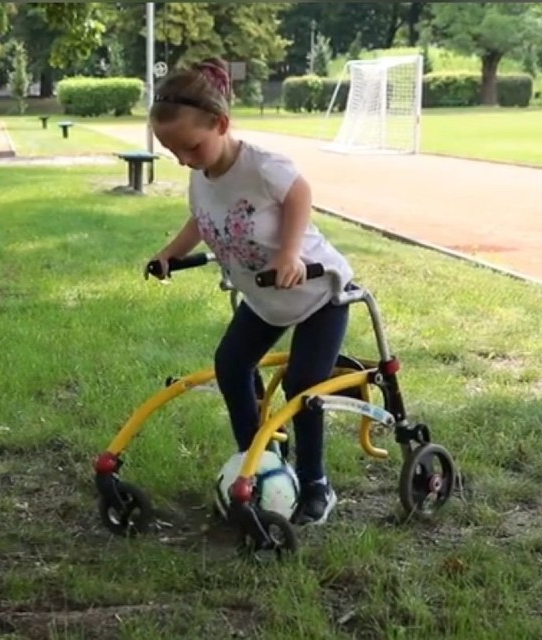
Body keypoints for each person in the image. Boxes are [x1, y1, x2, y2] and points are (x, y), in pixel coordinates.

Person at [145, 58, 354, 526]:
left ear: (220, 124)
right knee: (231, 364)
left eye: (191, 147)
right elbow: (200, 220)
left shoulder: (260, 166)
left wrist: (289, 252)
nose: (183, 160)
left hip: (320, 294)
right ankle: (255, 459)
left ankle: (317, 483)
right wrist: (168, 254)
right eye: (172, 150)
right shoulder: (201, 176)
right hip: (265, 301)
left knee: (304, 387)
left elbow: (300, 193)